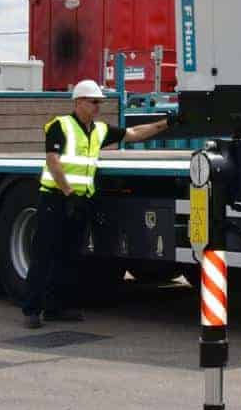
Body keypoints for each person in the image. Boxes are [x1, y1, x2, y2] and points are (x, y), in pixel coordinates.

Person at [22, 79, 171, 328]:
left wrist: (165, 124)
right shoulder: (60, 126)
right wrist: (69, 194)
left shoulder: (99, 130)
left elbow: (133, 134)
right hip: (56, 199)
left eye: (100, 103)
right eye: (93, 102)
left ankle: (57, 308)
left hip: (80, 201)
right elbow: (52, 161)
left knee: (69, 256)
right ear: (79, 102)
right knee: (43, 254)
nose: (97, 107)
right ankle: (32, 310)